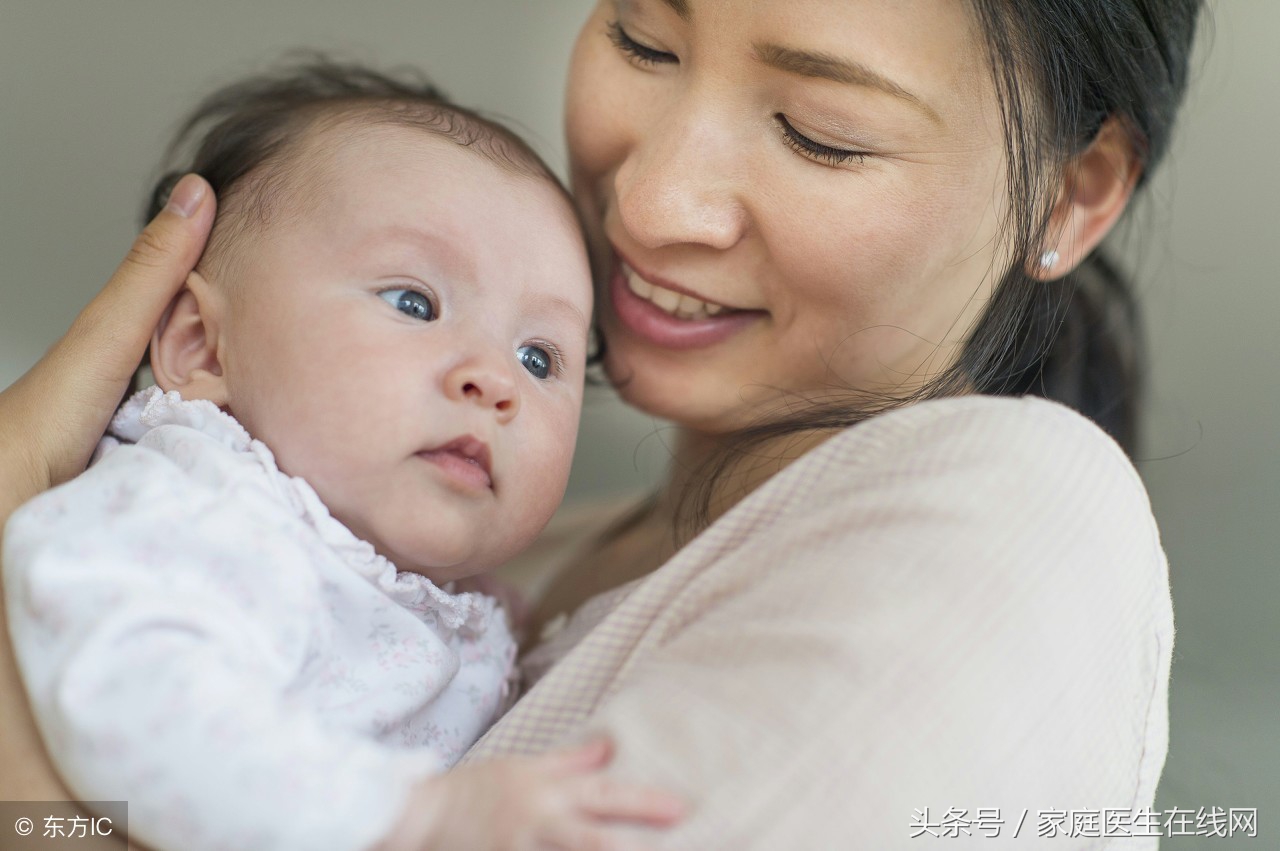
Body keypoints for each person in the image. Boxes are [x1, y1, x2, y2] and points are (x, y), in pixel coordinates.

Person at [1, 0, 1203, 847]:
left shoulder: (1008, 509)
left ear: (1072, 191)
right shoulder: (464, 564)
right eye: (641, 34)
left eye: (817, 132)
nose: (650, 198)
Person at [2, 63, 683, 851]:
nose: (496, 379)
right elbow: (138, 699)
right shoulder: (198, 510)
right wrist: (412, 817)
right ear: (201, 346)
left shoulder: (467, 608)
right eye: (413, 302)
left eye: (540, 357)